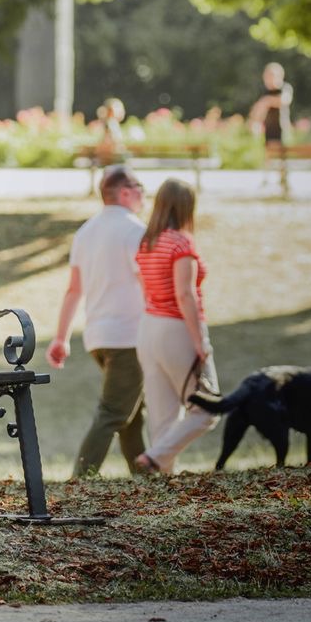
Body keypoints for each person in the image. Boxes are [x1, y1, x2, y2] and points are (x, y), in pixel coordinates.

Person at [46, 165, 148, 478]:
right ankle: (80, 478)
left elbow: (74, 289)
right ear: (126, 192)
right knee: (114, 412)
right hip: (128, 336)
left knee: (129, 411)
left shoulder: (85, 232)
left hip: (98, 338)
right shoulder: (135, 230)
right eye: (141, 189)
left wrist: (60, 338)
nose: (144, 196)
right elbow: (148, 282)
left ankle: (144, 474)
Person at [132, 178, 219, 474]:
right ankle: (155, 457)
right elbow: (185, 294)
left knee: (162, 413)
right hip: (176, 329)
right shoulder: (181, 243)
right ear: (185, 208)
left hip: (148, 327)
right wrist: (199, 342)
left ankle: (163, 478)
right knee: (207, 409)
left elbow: (144, 287)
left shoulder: (147, 243)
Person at [249, 62, 293, 145]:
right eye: (267, 76)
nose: (269, 78)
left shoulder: (285, 88)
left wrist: (266, 101)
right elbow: (256, 111)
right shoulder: (262, 91)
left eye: (272, 75)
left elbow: (284, 100)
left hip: (282, 130)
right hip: (267, 131)